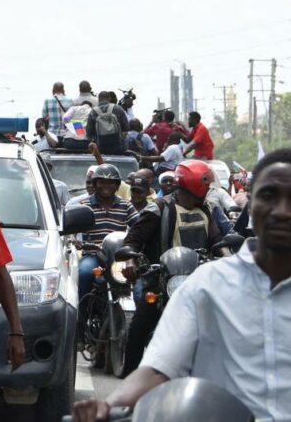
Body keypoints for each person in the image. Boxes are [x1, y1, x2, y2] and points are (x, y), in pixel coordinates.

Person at [72, 148, 291, 422]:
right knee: (141, 314)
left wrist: (224, 250)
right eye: (269, 196)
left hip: (191, 267)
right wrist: (110, 405)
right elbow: (159, 366)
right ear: (253, 202)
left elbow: (221, 237)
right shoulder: (206, 285)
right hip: (161, 275)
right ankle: (118, 356)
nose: (282, 211)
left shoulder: (209, 211)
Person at [119, 160, 223, 377]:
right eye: (206, 185)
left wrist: (228, 256)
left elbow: (217, 241)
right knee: (139, 327)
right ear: (196, 184)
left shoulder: (205, 210)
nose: (208, 191)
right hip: (161, 281)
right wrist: (129, 260)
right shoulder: (158, 208)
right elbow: (132, 240)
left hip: (197, 281)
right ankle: (129, 382)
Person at [77, 165, 139, 310]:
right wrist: (75, 240)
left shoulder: (126, 205)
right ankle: (81, 315)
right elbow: (73, 230)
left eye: (111, 182)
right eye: (102, 182)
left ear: (117, 185)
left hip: (119, 256)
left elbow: (138, 227)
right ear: (95, 184)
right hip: (93, 255)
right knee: (84, 272)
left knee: (137, 283)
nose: (107, 186)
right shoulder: (84, 205)